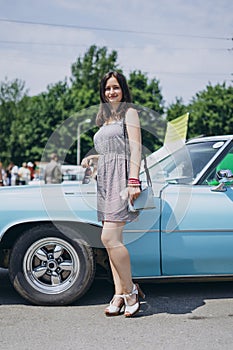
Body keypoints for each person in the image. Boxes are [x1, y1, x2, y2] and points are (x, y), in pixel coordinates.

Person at [81, 71, 145, 317]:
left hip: (121, 179)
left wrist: (133, 180)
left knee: (109, 239)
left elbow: (135, 149)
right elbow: (112, 150)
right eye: (107, 88)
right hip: (105, 180)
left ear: (123, 89)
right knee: (110, 244)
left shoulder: (129, 113)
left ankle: (130, 291)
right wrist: (94, 158)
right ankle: (118, 293)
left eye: (115, 87)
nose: (111, 92)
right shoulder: (105, 118)